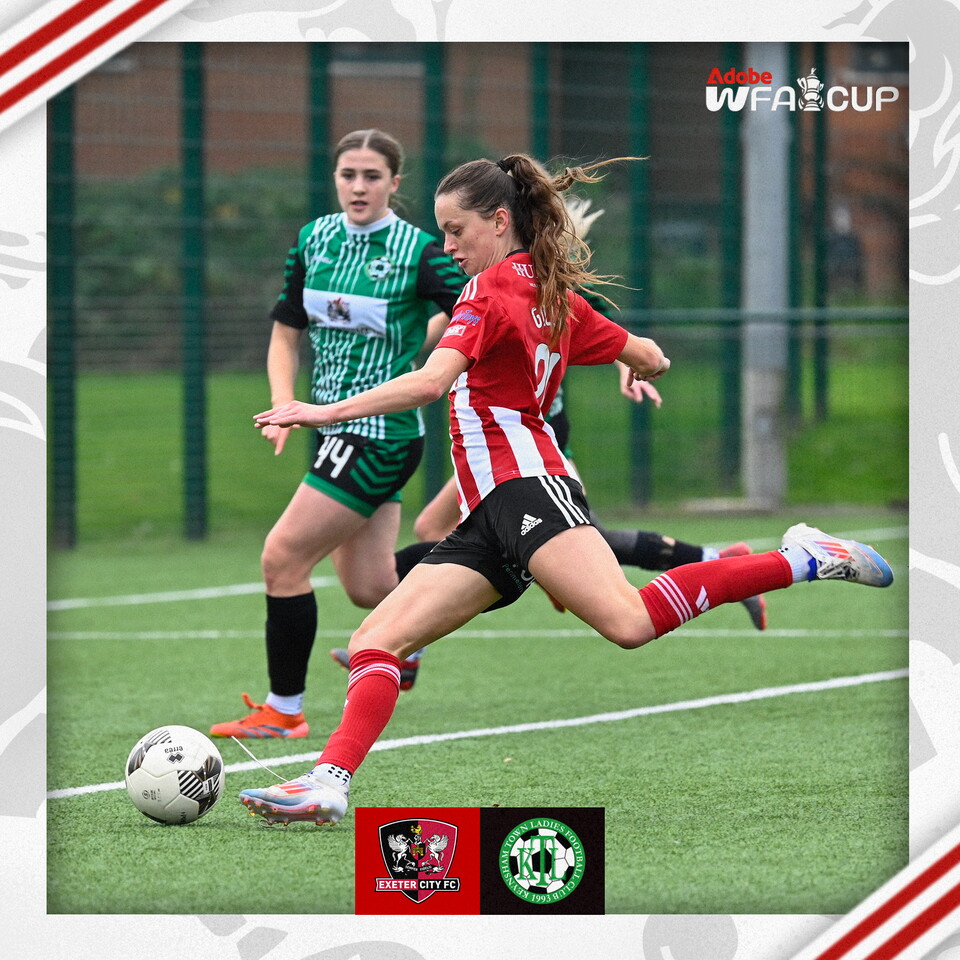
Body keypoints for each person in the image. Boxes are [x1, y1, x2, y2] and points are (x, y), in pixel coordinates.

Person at [238, 153, 893, 825]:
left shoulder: (490, 292)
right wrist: (636, 364)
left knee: (629, 623)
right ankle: (327, 783)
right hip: (488, 512)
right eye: (441, 231)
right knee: (378, 643)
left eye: (456, 229)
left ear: (498, 221)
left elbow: (432, 383)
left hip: (527, 487)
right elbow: (650, 353)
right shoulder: (552, 293)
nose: (448, 245)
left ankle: (806, 558)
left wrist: (322, 410)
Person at [209, 129, 466, 740]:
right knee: (370, 588)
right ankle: (482, 571)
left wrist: (422, 349)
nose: (358, 186)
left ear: (394, 183)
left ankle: (284, 710)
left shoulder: (419, 251)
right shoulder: (314, 238)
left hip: (380, 433)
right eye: (348, 174)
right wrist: (282, 406)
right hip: (327, 428)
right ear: (335, 178)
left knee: (282, 558)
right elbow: (286, 329)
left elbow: (477, 307)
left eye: (372, 176)